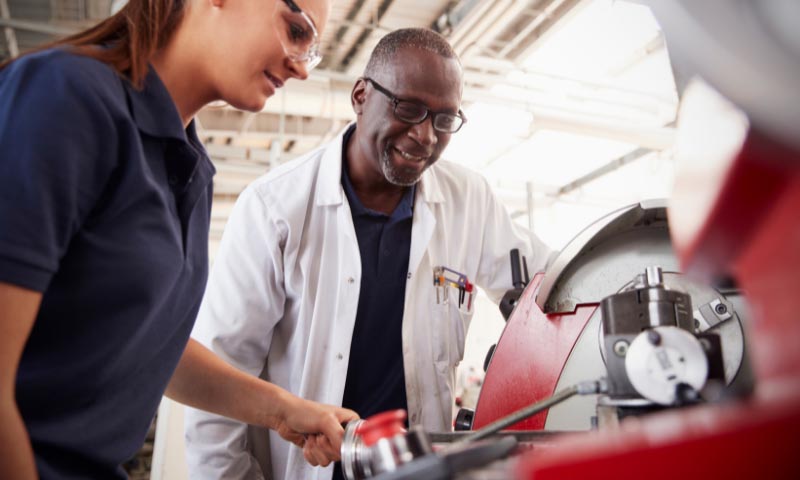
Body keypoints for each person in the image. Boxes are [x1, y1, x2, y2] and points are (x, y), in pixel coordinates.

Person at [0, 1, 358, 479]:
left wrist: (283, 410)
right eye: (295, 30)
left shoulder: (189, 167)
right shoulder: (65, 97)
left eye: (310, 50)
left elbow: (155, 347)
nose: (300, 67)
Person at [185, 27, 552, 480]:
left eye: (443, 120)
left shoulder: (468, 200)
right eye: (409, 108)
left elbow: (551, 283)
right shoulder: (274, 209)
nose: (425, 136)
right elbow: (220, 379)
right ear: (361, 95)